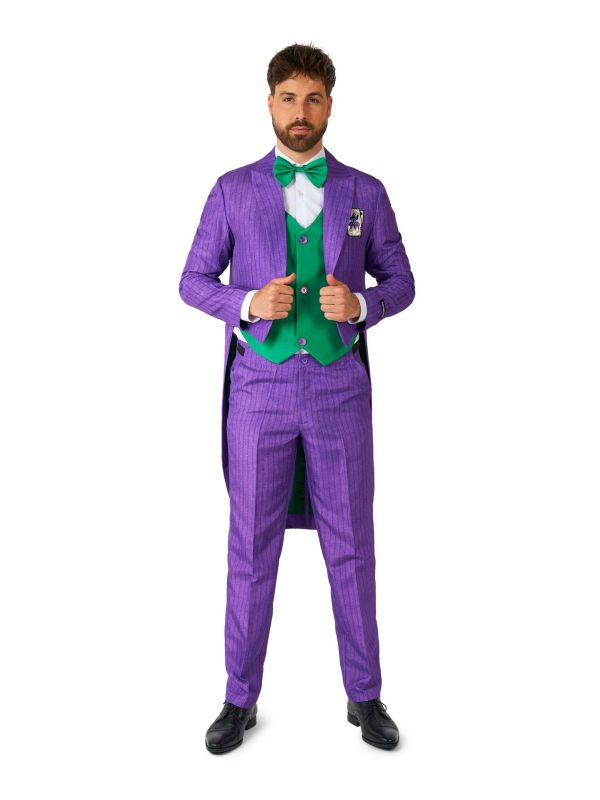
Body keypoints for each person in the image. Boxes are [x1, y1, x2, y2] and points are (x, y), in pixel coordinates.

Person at [179, 42, 415, 754]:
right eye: (289, 98)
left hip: (340, 387)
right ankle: (238, 698)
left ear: (330, 106)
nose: (300, 112)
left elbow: (402, 281)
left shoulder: (365, 191)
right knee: (251, 546)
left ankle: (365, 696)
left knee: (353, 547)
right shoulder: (232, 189)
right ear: (271, 104)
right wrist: (248, 301)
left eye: (313, 98)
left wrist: (362, 304)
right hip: (260, 387)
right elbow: (192, 281)